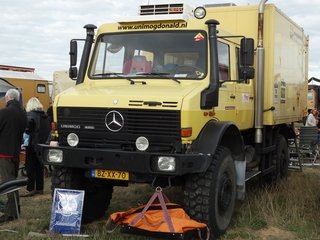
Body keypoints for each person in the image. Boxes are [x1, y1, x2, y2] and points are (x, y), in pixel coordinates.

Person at [0, 89, 27, 223]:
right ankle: (15, 208)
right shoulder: (22, 113)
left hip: (4, 153)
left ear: (7, 98)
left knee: (8, 183)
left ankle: (11, 214)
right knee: (13, 182)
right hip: (16, 151)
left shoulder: (4, 113)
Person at [20, 97, 51, 197]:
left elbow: (27, 129)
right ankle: (39, 188)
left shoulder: (30, 115)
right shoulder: (45, 116)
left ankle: (30, 188)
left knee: (30, 168)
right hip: (43, 145)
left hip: (32, 145)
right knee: (39, 167)